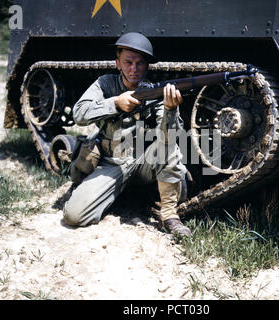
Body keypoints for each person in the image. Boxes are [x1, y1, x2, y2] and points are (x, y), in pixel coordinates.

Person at [62, 32, 191, 237]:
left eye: (140, 63)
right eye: (128, 62)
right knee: (73, 216)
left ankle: (170, 216)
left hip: (142, 162)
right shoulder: (104, 84)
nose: (134, 68)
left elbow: (171, 137)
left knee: (168, 147)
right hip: (110, 163)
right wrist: (114, 103)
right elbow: (79, 113)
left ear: (147, 66)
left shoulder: (153, 92)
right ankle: (112, 192)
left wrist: (170, 110)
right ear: (118, 63)